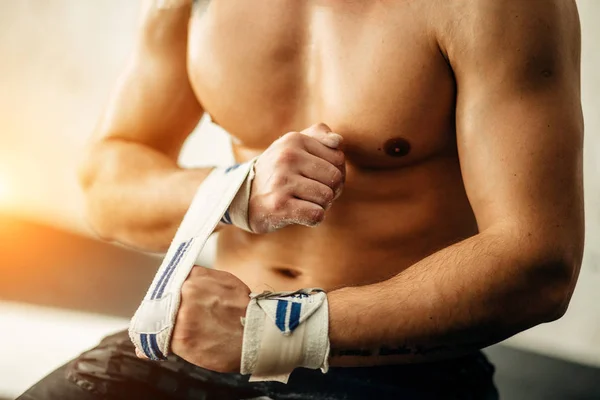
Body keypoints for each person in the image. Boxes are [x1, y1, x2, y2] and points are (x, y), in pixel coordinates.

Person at [18, 0, 584, 398]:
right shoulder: (188, 5)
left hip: (395, 372)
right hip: (201, 346)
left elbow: (538, 263)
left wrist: (277, 330)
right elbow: (104, 186)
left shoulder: (495, 8)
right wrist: (236, 189)